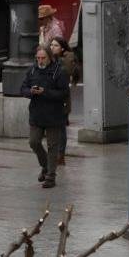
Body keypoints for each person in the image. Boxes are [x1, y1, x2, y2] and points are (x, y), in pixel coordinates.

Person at [21, 46, 69, 188]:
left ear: (50, 58)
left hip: (54, 114)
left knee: (52, 145)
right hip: (37, 114)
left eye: (43, 58)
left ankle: (51, 176)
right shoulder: (32, 70)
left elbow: (64, 93)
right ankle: (45, 166)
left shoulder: (58, 72)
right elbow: (22, 88)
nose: (40, 61)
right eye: (38, 58)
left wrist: (45, 92)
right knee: (33, 142)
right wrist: (30, 92)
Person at [49, 36, 80, 166]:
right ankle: (54, 154)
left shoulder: (68, 58)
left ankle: (60, 155)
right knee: (52, 128)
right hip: (50, 99)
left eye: (55, 45)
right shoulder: (50, 58)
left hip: (62, 100)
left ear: (62, 47)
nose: (52, 47)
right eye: (51, 45)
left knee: (61, 129)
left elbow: (66, 72)